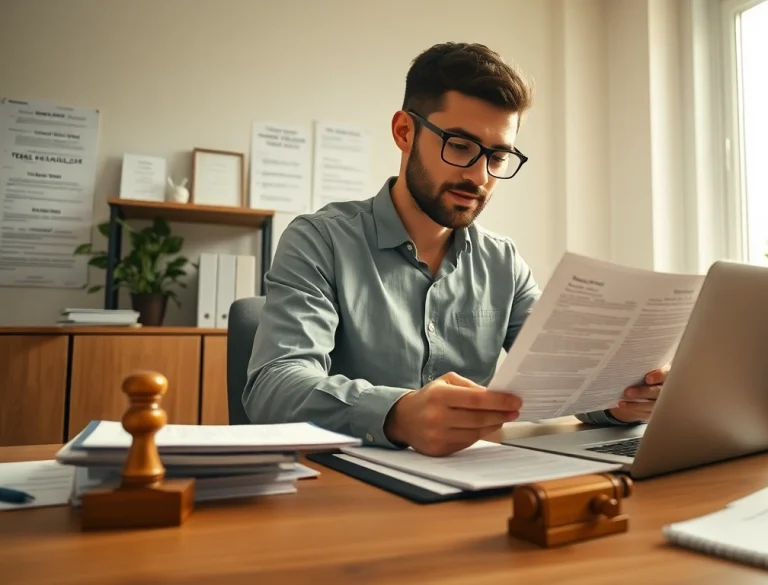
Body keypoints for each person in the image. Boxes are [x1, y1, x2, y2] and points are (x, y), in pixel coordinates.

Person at [242, 42, 668, 457]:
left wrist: (618, 401)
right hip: (347, 494)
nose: (480, 177)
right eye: (460, 146)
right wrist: (396, 413)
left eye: (498, 156)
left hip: (471, 483)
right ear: (405, 132)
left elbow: (563, 378)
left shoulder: (503, 263)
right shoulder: (319, 240)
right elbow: (274, 384)